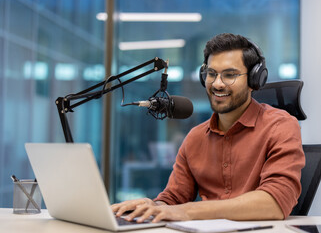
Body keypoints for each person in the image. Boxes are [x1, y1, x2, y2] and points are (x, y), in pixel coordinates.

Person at [111, 33, 305, 223]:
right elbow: (173, 199)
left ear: (255, 80)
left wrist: (189, 211)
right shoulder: (195, 137)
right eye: (212, 74)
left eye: (230, 75)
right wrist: (154, 206)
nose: (217, 84)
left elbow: (275, 203)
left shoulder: (280, 126)